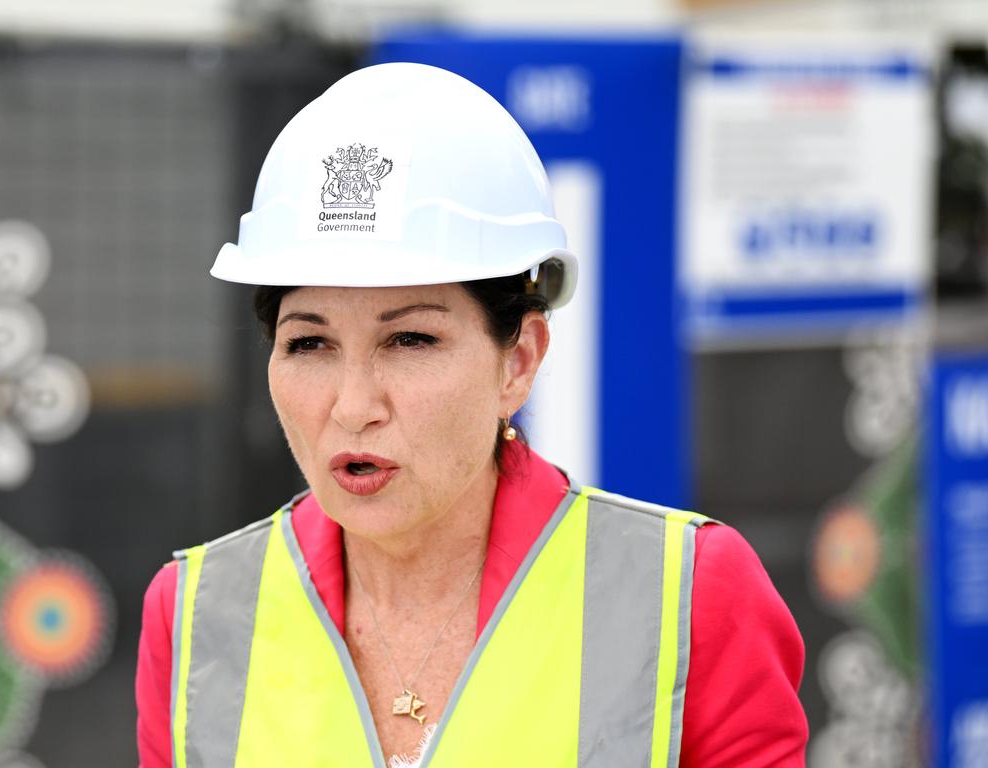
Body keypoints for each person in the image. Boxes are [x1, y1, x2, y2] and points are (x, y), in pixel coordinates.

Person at [136, 62, 808, 767]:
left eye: (410, 339)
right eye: (309, 343)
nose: (354, 406)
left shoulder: (690, 595)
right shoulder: (194, 616)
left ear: (517, 362)